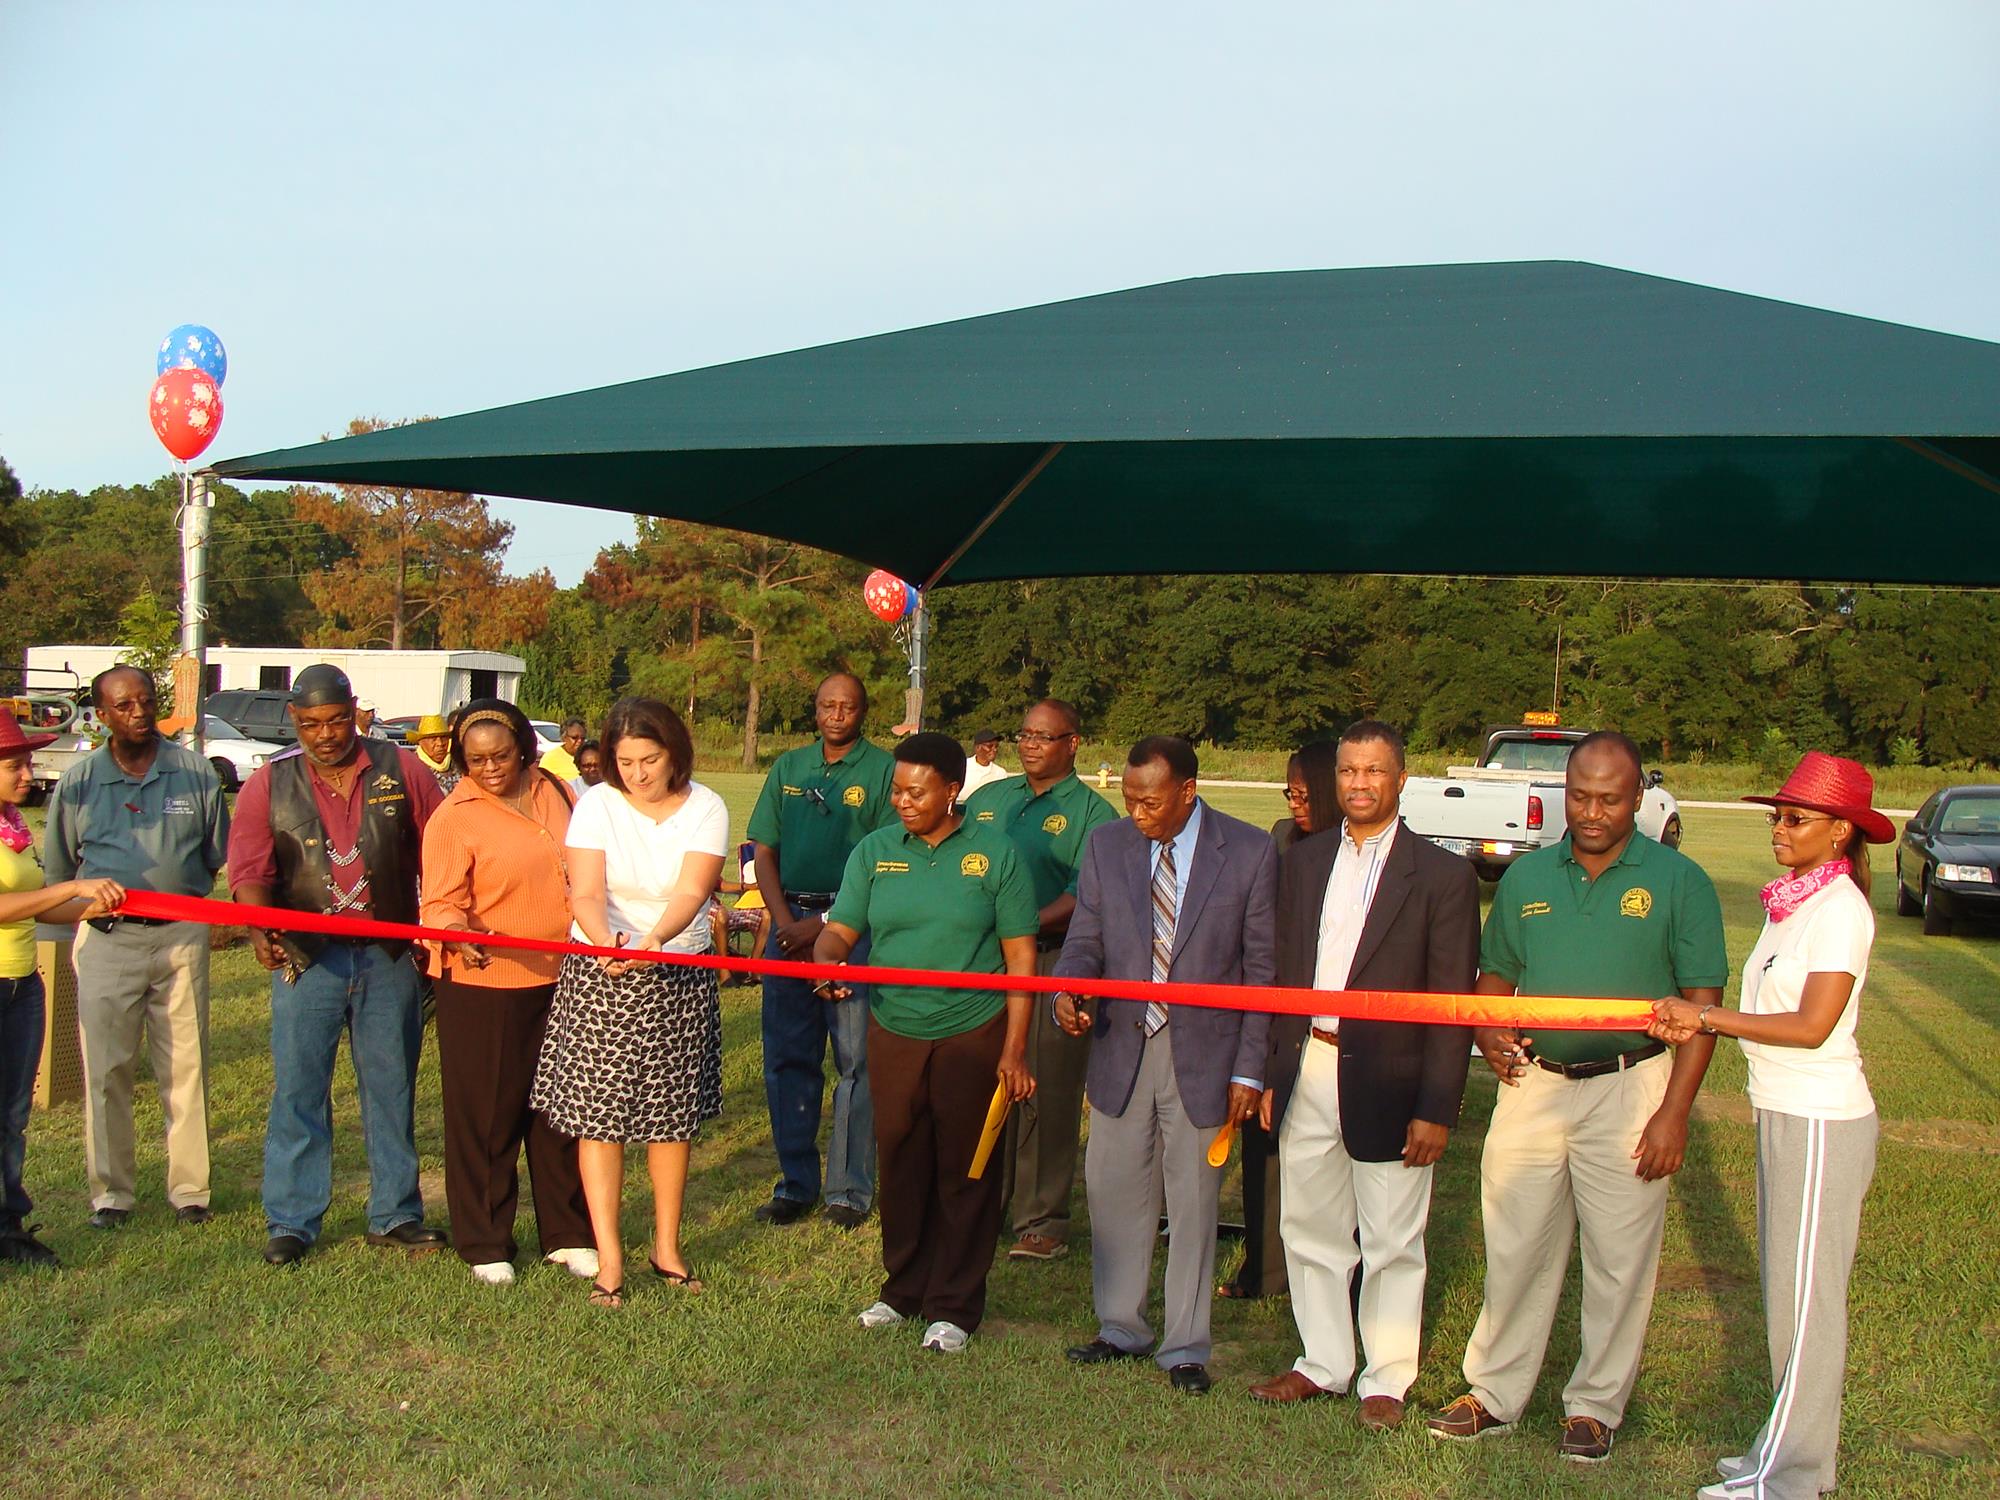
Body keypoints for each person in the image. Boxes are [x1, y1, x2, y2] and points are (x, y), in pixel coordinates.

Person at [1428, 731, 1727, 1463]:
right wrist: (1492, 1034)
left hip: (1632, 1086)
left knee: (1620, 1256)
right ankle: (1493, 1392)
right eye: (1581, 795)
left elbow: (1703, 1004)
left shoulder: (1677, 879)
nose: (1592, 812)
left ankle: (1595, 1407)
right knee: (1516, 1240)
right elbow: (1494, 977)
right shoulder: (1528, 879)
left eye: (1610, 798)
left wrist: (1673, 1113)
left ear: (1638, 799)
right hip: (1535, 1086)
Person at [1649, 753, 1892, 1500]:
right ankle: (1785, 1455)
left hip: (1821, 1120)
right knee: (1788, 1296)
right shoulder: (1796, 903)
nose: (1779, 829)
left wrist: (1705, 1016)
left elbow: (1814, 1025)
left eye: (1796, 818)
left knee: (1809, 1306)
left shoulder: (1841, 911)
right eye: (1775, 816)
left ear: (1841, 832)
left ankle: (1788, 1479)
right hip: (1783, 1111)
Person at [1249, 721, 1480, 1429]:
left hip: (1391, 1076)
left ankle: (1387, 1375)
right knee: (1309, 1226)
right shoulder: (1303, 861)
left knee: (1391, 1239)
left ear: (1401, 779)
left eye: (1373, 772)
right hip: (1307, 1064)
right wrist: (1266, 1073)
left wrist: (1437, 1105)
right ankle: (1322, 1361)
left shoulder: (1443, 876)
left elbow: (1451, 1003)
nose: (1357, 784)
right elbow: (1282, 972)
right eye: (1348, 771)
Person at [1054, 735, 1278, 1395]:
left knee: (1193, 1200)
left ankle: (1185, 1345)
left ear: (1187, 790)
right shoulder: (1108, 846)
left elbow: (1262, 970)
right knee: (1113, 1189)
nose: (1138, 812)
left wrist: (1249, 1069)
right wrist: (1068, 991)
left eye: (1150, 801)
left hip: (1206, 1054)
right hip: (1123, 1045)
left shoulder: (1249, 850)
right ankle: (1120, 1326)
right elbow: (1085, 939)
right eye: (1128, 799)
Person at [814, 733, 1039, 1354]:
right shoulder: (876, 850)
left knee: (966, 1169)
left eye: (918, 791)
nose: (904, 801)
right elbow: (839, 931)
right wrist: (827, 959)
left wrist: (1014, 1048)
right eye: (897, 789)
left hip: (973, 1027)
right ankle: (902, 1288)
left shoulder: (996, 854)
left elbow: (1022, 960)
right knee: (903, 1160)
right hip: (895, 1027)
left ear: (952, 789)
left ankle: (955, 1306)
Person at [227, 665, 447, 1265]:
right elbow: (250, 870)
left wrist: (439, 926)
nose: (326, 734)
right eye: (311, 724)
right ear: (294, 721)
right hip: (308, 958)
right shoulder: (268, 784)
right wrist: (259, 925)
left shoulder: (403, 770)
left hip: (389, 955)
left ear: (357, 712)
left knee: (391, 1084)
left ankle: (396, 1212)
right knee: (299, 1088)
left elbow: (443, 848)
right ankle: (293, 1220)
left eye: (337, 720)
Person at [533, 698, 728, 1308]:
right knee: (601, 1117)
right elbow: (584, 891)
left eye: (650, 759)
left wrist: (657, 939)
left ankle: (665, 1245)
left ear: (676, 752)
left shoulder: (707, 806)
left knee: (670, 1118)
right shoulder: (595, 805)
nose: (638, 773)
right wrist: (608, 941)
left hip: (676, 968)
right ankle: (610, 1257)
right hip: (602, 970)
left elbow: (696, 887)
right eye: (625, 761)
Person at [46, 665, 229, 1230]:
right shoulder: (78, 783)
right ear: (101, 716)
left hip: (180, 936)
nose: (139, 712)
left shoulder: (195, 773)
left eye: (146, 701)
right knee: (107, 1069)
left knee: (186, 1064)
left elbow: (212, 855)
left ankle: (190, 1189)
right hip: (107, 942)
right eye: (124, 705)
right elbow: (59, 871)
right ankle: (112, 1195)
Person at [420, 699, 595, 1287]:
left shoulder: (557, 791)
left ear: (523, 747)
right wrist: (455, 933)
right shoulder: (454, 816)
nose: (489, 768)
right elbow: (438, 904)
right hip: (485, 980)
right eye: (475, 760)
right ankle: (486, 1239)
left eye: (499, 755)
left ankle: (567, 1234)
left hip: (563, 974)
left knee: (559, 1111)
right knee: (488, 1113)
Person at [962, 698, 1115, 1262]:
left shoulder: (1092, 815)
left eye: (1044, 737)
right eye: (1024, 734)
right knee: (985, 1078)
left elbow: (1082, 899)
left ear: (1073, 743)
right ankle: (986, 1201)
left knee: (1044, 1087)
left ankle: (1043, 1217)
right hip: (981, 960)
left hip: (1052, 960)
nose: (1029, 745)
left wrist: (1013, 925)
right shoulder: (987, 798)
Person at [745, 671, 896, 1227]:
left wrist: (829, 924)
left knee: (855, 1060)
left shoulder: (883, 771)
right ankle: (795, 1184)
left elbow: (886, 856)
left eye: (848, 706)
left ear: (863, 712)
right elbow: (764, 850)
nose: (836, 715)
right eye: (827, 705)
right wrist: (787, 924)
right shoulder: (790, 766)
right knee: (788, 1057)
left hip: (852, 926)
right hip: (790, 923)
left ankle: (849, 1191)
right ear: (815, 710)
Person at [0, 715, 125, 1267]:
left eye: (27, 762)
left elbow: (36, 904)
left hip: (22, 984)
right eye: (14, 766)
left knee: (12, 1113)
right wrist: (73, 885)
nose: (28, 774)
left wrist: (92, 906)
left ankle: (8, 1227)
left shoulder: (12, 827)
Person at [1222, 737, 1341, 1302]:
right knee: (1264, 1146)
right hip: (1274, 1004)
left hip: (1330, 1018)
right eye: (1288, 791)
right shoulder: (1279, 840)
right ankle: (1265, 1268)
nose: (1295, 802)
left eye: (1304, 791)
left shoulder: (1351, 851)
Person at [708, 840, 769, 986]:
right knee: (721, 914)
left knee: (765, 916)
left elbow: (719, 885)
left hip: (715, 908)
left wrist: (747, 887)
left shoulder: (701, 859)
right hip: (697, 913)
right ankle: (724, 971)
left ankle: (753, 968)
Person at [959, 729, 1012, 800]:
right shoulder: (963, 766)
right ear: (978, 748)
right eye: (990, 746)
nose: (994, 749)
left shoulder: (1000, 773)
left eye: (996, 746)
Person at [412, 714, 458, 794]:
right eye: (433, 739)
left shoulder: (458, 763)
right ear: (421, 742)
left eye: (443, 737)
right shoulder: (413, 767)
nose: (440, 743)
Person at [540, 719, 587, 784]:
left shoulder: (589, 757)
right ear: (564, 737)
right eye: (574, 738)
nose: (579, 741)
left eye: (583, 738)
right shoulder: (551, 757)